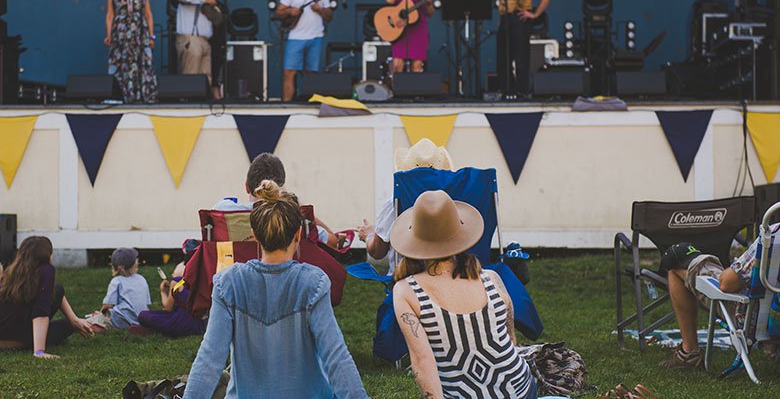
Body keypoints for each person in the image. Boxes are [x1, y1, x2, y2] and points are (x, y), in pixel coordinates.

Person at [184, 180, 367, 398]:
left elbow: (209, 360)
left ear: (255, 235)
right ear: (298, 235)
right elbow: (336, 358)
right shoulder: (313, 282)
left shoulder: (228, 283)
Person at [391, 190, 537, 398]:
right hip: (520, 389)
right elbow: (510, 334)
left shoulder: (406, 291)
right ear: (458, 233)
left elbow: (422, 361)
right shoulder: (491, 278)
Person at [659, 225, 780, 369]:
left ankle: (689, 353)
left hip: (754, 319)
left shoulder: (774, 235)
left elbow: (727, 285)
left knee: (677, 270)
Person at [0, 236, 94, 358]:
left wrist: (74, 319)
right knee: (67, 325)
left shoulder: (12, 271)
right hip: (14, 342)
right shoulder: (46, 270)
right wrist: (39, 351)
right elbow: (41, 311)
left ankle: (75, 320)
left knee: (58, 290)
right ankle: (74, 322)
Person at [357, 138, 454, 275]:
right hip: (450, 275)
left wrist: (369, 235)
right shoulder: (454, 201)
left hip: (406, 279)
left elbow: (378, 252)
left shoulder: (395, 201)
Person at [214, 152, 345, 249]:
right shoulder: (293, 217)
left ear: (247, 187)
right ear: (281, 188)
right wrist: (300, 208)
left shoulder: (223, 210)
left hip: (237, 281)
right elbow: (335, 244)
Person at [275, 0, 333, 102]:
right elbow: (279, 12)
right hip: (296, 37)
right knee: (289, 72)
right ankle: (286, 104)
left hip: (316, 37)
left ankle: (311, 103)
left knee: (312, 73)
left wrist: (319, 10)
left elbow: (329, 16)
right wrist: (290, 11)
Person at [496, 0, 554, 96]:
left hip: (519, 17)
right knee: (503, 60)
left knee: (521, 59)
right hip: (505, 19)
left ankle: (522, 92)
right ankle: (508, 92)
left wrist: (535, 14)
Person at [105, 0, 158, 103]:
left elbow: (148, 14)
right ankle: (123, 97)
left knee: (142, 63)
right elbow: (110, 15)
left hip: (140, 34)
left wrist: (151, 36)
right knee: (122, 64)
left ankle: (143, 97)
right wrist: (109, 35)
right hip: (121, 35)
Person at [175, 0, 223, 99]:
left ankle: (203, 107)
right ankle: (188, 107)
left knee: (206, 78)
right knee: (191, 76)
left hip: (205, 41)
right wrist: (203, 0)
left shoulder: (210, 0)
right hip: (191, 39)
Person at [86, 247, 151, 331]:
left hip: (121, 319)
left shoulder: (116, 281)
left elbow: (107, 305)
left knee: (95, 319)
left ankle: (96, 325)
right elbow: (146, 304)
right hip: (140, 319)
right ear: (135, 263)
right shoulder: (142, 279)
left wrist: (101, 314)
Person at [136, 262, 207, 338]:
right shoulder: (202, 280)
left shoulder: (177, 282)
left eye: (173, 273)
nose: (172, 275)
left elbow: (167, 308)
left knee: (143, 315)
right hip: (201, 325)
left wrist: (163, 292)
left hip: (180, 322)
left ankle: (156, 329)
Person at [384, 0, 436, 73]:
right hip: (400, 31)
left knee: (417, 65)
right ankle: (397, 87)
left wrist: (428, 3)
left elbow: (430, 13)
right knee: (397, 64)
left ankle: (415, 87)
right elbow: (389, 0)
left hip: (418, 30)